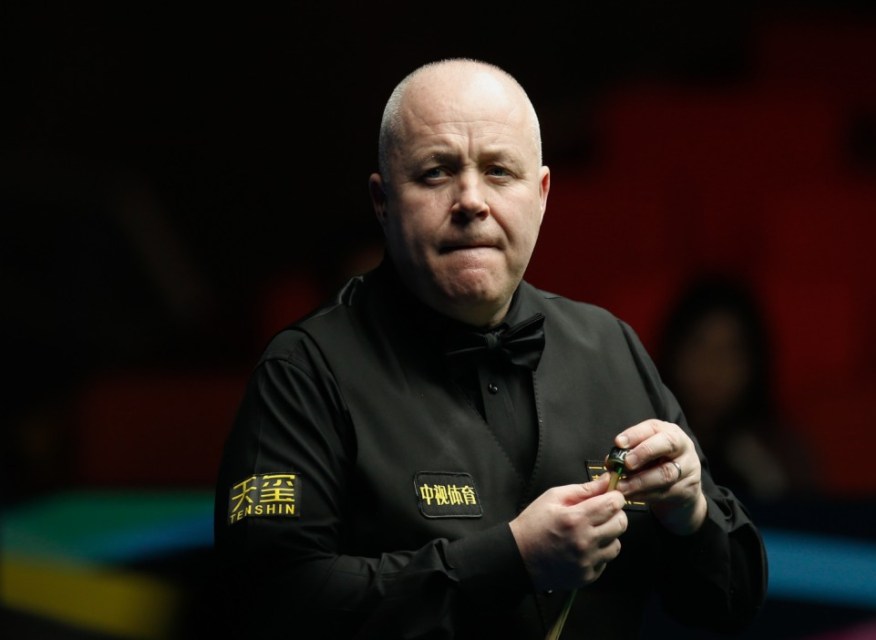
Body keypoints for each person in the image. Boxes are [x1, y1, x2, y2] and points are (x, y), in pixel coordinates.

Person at [214, 58, 767, 639]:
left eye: (500, 172)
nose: (471, 200)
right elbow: (268, 605)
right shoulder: (304, 371)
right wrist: (512, 560)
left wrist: (691, 517)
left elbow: (730, 604)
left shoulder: (609, 347)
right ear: (382, 200)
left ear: (542, 193)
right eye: (435, 172)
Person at [655, 274, 820, 505]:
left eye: (731, 350)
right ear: (674, 351)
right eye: (699, 344)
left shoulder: (778, 454)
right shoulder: (645, 440)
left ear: (754, 363)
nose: (713, 365)